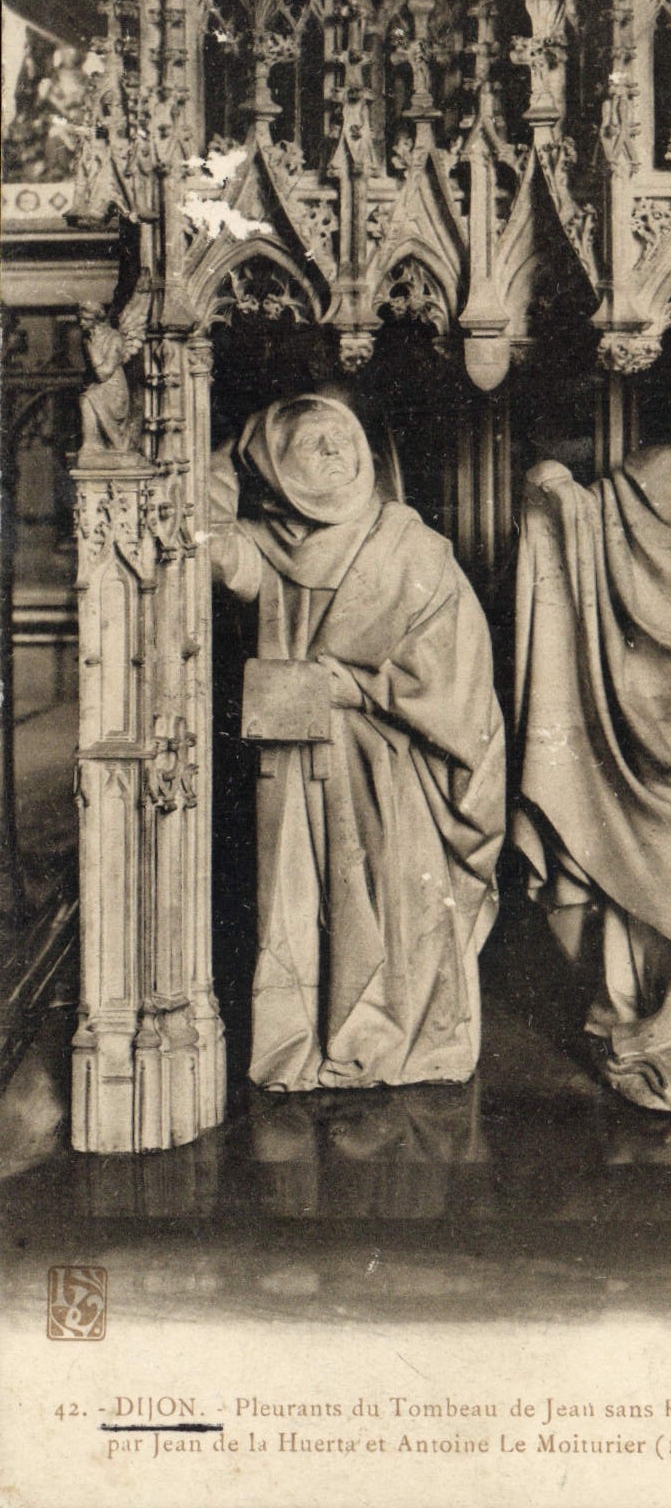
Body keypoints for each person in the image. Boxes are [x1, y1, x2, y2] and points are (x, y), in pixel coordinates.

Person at [210, 393, 505, 1091]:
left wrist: (362, 688)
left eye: (343, 437)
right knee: (305, 901)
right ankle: (312, 1045)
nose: (335, 453)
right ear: (274, 464)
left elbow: (459, 670)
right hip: (302, 762)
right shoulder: (267, 542)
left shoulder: (411, 545)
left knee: (397, 902)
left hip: (397, 760)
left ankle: (401, 1045)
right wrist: (223, 451)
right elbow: (202, 534)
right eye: (311, 443)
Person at [512, 415, 671, 1114]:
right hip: (625, 747)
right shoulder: (619, 507)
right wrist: (552, 495)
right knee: (630, 902)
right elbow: (559, 504)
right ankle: (636, 1032)